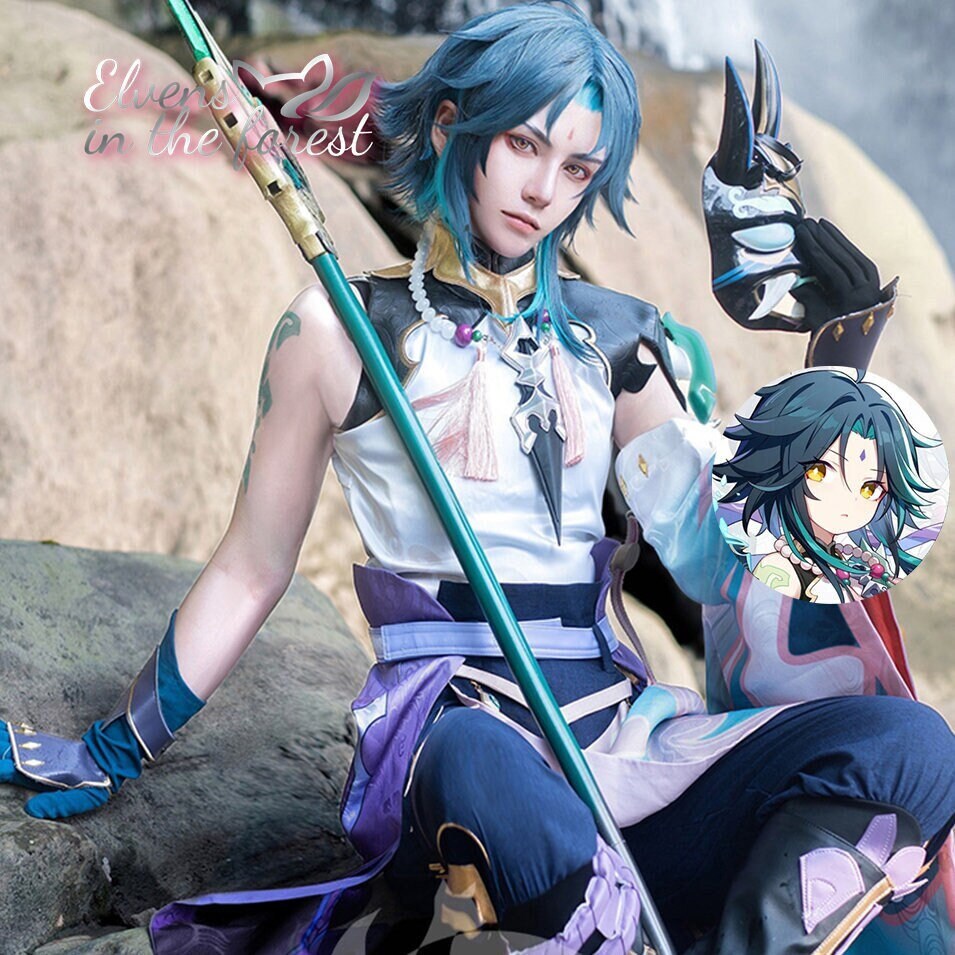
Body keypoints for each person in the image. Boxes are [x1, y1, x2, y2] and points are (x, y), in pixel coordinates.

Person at [3, 4, 954, 954]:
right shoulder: (339, 332)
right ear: (451, 126)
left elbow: (711, 561)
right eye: (523, 145)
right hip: (469, 757)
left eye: (575, 168)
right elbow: (253, 567)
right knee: (472, 759)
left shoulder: (618, 338)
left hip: (635, 756)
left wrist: (836, 369)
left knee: (913, 747)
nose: (542, 190)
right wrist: (114, 746)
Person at [712, 368, 942, 603]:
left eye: (870, 488)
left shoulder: (851, 565)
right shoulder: (780, 572)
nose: (848, 500)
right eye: (820, 471)